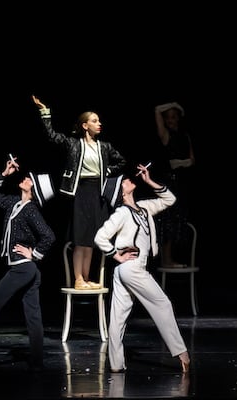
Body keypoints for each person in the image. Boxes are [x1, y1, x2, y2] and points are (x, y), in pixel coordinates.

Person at [94, 163, 190, 374]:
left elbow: (170, 200)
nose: (130, 180)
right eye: (125, 182)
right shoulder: (121, 212)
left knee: (118, 318)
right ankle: (182, 354)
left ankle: (117, 364)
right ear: (121, 191)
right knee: (162, 304)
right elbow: (100, 237)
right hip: (131, 268)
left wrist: (149, 181)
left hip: (127, 271)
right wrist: (116, 255)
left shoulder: (144, 207)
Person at [0, 156, 56, 372]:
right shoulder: (14, 203)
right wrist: (4, 174)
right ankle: (37, 363)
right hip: (27, 270)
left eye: (29, 180)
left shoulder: (31, 209)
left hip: (23, 267)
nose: (25, 178)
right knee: (33, 316)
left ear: (33, 190)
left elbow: (49, 236)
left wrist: (33, 254)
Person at [32, 95, 126, 290]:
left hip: (97, 193)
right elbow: (52, 136)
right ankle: (78, 278)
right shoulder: (74, 144)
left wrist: (106, 171)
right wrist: (44, 112)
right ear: (84, 125)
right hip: (81, 191)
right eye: (94, 121)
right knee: (80, 237)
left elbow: (122, 161)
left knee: (91, 237)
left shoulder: (104, 146)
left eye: (98, 121)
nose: (99, 124)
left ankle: (86, 277)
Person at [153, 101, 196, 267]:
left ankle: (171, 258)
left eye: (174, 116)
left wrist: (180, 163)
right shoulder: (165, 134)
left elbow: (192, 161)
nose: (171, 120)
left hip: (181, 181)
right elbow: (157, 109)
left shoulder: (185, 136)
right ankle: (167, 259)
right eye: (168, 117)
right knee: (168, 219)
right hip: (167, 181)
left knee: (178, 219)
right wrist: (175, 105)